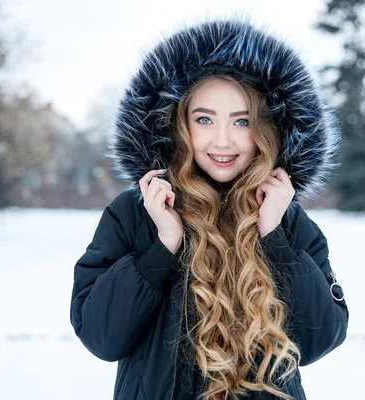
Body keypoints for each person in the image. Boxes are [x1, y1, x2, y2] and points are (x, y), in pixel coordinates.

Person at [70, 17, 349, 400]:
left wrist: (275, 239)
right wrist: (162, 247)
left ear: (267, 130)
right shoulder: (135, 213)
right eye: (204, 119)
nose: (222, 140)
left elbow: (319, 339)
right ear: (178, 124)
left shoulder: (285, 216)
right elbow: (102, 337)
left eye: (242, 121)